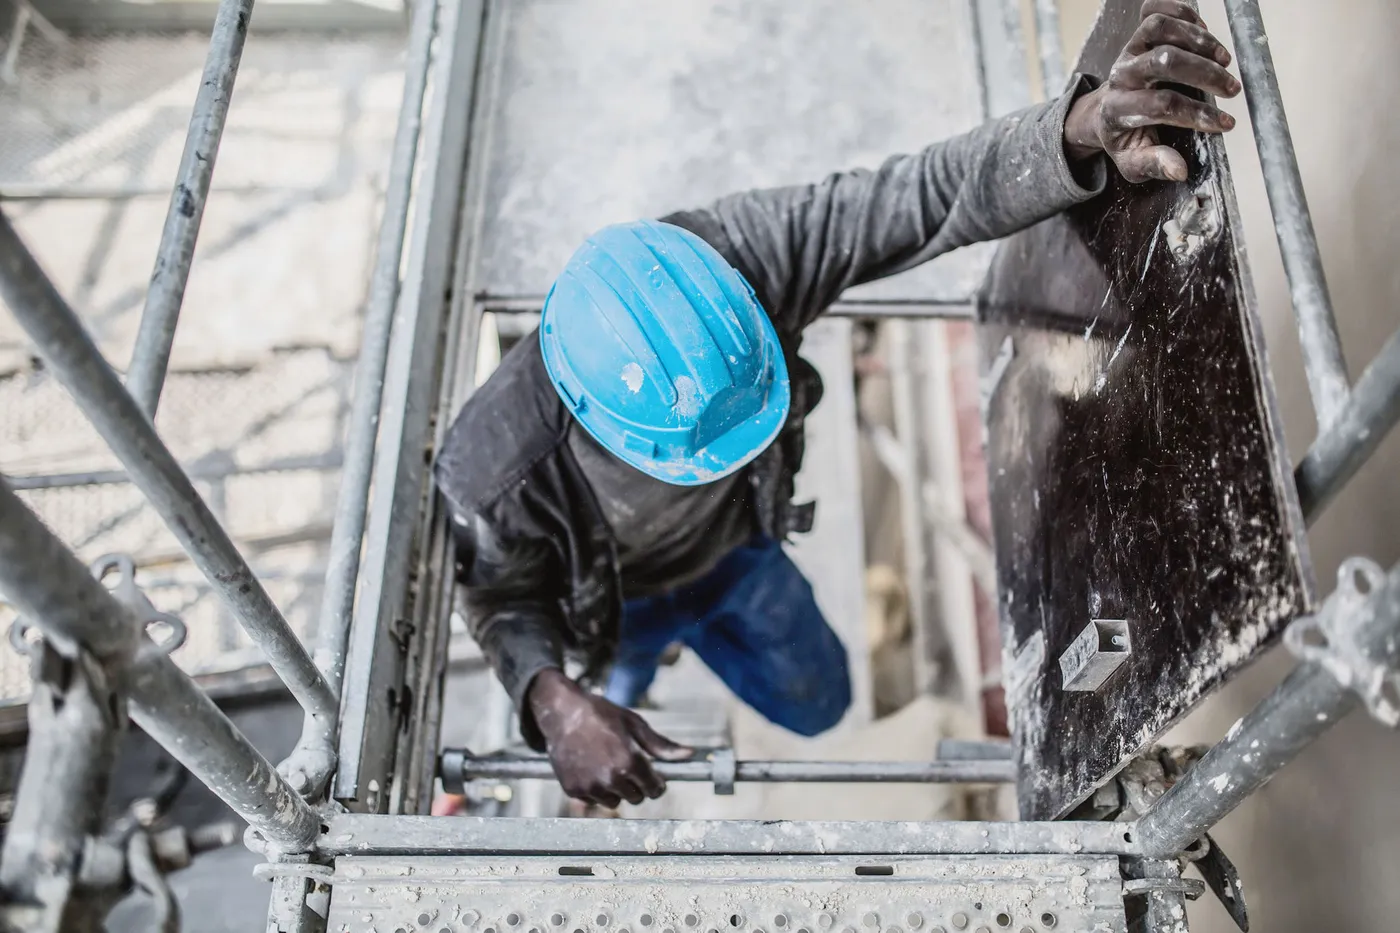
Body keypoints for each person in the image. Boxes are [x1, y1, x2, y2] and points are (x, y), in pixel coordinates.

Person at [433, 1, 1240, 811]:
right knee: (612, 691)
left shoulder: (740, 258)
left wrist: (1078, 129)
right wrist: (551, 699)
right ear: (587, 415)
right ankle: (631, 676)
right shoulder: (491, 469)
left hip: (737, 550)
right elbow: (501, 595)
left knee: (819, 705)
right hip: (614, 600)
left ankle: (665, 652)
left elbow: (922, 195)